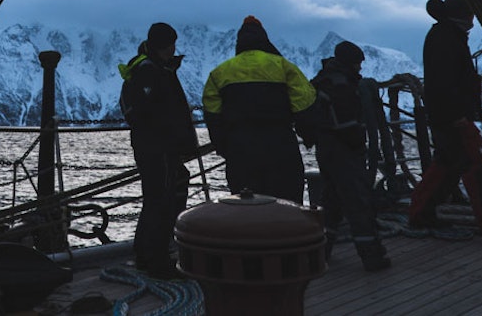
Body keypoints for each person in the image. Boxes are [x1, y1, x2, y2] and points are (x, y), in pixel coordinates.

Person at [408, 0, 482, 241]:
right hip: (454, 117)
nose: (474, 20)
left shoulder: (444, 35)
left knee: (447, 165)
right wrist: (459, 116)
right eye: (472, 14)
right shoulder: (448, 39)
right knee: (477, 165)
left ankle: (420, 214)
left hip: (446, 116)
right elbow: (445, 82)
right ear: (465, 15)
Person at [202, 16, 317, 203]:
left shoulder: (220, 73)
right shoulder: (284, 66)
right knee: (286, 201)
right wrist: (309, 135)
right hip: (280, 144)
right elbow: (304, 103)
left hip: (240, 148)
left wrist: (224, 146)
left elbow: (212, 114)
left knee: (245, 203)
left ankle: (250, 232)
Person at [118, 21, 198, 279]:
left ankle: (147, 253)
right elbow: (154, 112)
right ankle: (157, 260)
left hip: (155, 146)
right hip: (159, 147)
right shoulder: (151, 72)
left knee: (156, 198)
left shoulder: (152, 69)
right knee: (161, 200)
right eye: (172, 44)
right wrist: (176, 138)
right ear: (166, 45)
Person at [311, 40, 391, 271]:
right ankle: (372, 256)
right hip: (343, 151)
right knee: (358, 202)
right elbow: (347, 124)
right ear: (351, 62)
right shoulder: (341, 85)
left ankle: (320, 252)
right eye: (358, 64)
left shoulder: (322, 81)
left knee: (332, 201)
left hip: (325, 148)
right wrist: (359, 146)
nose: (360, 68)